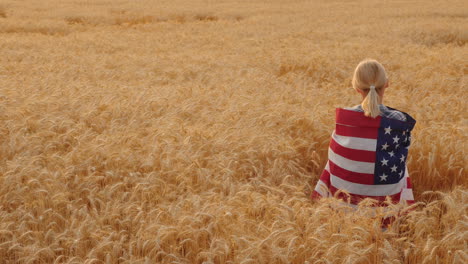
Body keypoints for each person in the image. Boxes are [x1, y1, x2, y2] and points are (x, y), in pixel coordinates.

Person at [311, 59, 416, 212]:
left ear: (356, 87)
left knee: (332, 161)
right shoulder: (399, 120)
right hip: (385, 208)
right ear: (387, 83)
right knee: (401, 166)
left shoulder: (345, 120)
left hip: (345, 206)